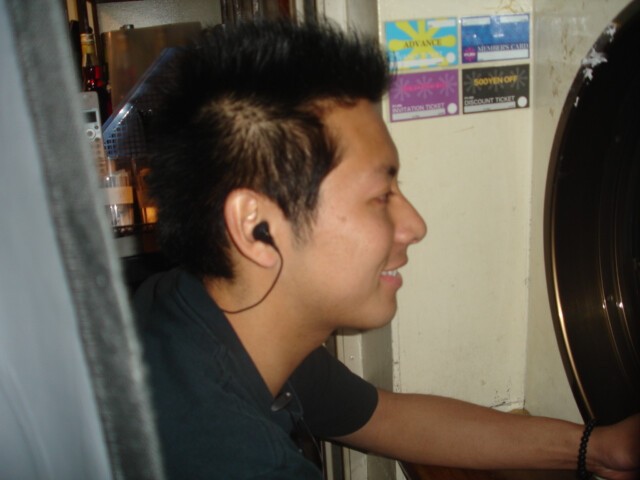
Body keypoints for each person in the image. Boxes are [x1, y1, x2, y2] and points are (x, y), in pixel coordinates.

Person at [135, 19, 640, 480]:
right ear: (257, 228)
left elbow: (389, 418)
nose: (415, 226)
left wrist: (598, 448)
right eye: (381, 195)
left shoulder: (205, 314)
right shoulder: (227, 455)